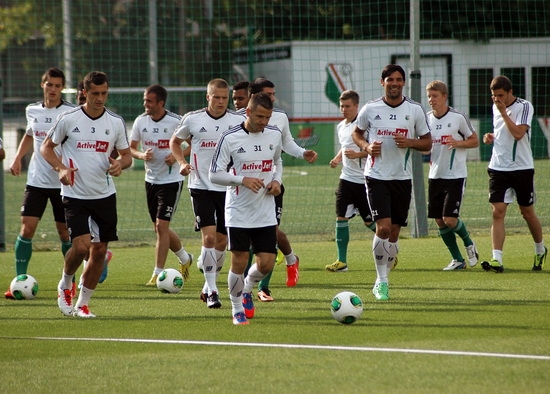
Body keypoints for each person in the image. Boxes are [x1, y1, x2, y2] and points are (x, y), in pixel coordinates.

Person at [40, 71, 132, 318]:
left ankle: (83, 303)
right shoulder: (68, 119)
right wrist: (60, 168)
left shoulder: (115, 122)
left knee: (100, 250)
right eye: (95, 94)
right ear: (84, 93)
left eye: (104, 93)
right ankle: (65, 283)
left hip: (104, 195)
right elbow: (46, 148)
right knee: (81, 247)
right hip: (75, 194)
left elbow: (127, 156)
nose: (100, 98)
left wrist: (119, 165)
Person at [352, 64, 432, 301]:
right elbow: (357, 133)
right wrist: (366, 147)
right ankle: (381, 281)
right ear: (382, 82)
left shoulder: (415, 110)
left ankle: (385, 270)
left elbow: (427, 143)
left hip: (402, 177)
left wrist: (410, 142)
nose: (394, 83)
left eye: (398, 80)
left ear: (403, 83)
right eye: (390, 80)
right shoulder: (370, 108)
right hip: (376, 176)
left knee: (395, 233)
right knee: (383, 228)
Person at [170, 78, 246, 309]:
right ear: (208, 97)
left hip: (229, 188)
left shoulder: (238, 120)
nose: (221, 102)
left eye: (224, 98)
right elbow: (175, 142)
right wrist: (182, 162)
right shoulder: (193, 119)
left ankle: (207, 284)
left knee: (222, 241)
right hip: (201, 186)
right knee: (210, 238)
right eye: (216, 97)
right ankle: (213, 290)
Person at [209, 92, 283, 325]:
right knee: (239, 261)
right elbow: (214, 175)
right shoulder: (229, 138)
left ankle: (248, 288)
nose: (264, 122)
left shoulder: (274, 134)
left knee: (266, 263)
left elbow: (277, 161)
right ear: (248, 112)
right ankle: (237, 309)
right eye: (260, 116)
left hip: (264, 210)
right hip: (238, 211)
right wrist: (242, 179)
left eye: (268, 117)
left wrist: (277, 182)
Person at [5, 68, 75, 300]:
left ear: (62, 88)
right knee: (27, 229)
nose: (53, 89)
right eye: (49, 85)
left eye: (57, 86)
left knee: (65, 233)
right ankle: (18, 281)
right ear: (42, 85)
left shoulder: (69, 112)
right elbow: (29, 134)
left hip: (62, 182)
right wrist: (16, 158)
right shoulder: (32, 110)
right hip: (36, 180)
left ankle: (70, 282)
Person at [245, 77, 317, 302]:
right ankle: (287, 260)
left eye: (273, 94)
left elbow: (287, 144)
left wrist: (302, 152)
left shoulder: (281, 117)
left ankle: (263, 289)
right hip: (245, 191)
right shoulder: (241, 120)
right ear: (255, 98)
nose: (273, 98)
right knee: (247, 240)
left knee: (270, 235)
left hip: (271, 187)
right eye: (269, 94)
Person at [482, 75, 546, 272]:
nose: (497, 99)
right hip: (498, 167)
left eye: (500, 95)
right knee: (497, 212)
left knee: (527, 212)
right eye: (494, 96)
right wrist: (492, 136)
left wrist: (503, 113)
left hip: (522, 168)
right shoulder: (496, 106)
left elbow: (518, 134)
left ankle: (540, 249)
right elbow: (504, 132)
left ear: (510, 92)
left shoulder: (524, 106)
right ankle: (497, 260)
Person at [130, 84, 193, 285]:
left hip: (171, 181)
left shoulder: (176, 121)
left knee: (161, 225)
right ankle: (185, 258)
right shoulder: (141, 121)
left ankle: (157, 273)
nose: (145, 104)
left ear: (160, 103)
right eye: (144, 100)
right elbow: (130, 149)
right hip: (151, 180)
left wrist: (177, 157)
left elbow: (194, 143)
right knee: (159, 229)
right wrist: (141, 155)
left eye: (149, 101)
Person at [424, 80, 480, 271]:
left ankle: (469, 243)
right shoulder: (427, 119)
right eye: (429, 96)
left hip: (455, 175)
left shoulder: (457, 117)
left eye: (435, 96)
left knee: (450, 219)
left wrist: (458, 143)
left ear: (444, 96)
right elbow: (425, 146)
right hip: (435, 175)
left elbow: (474, 141)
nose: (431, 100)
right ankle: (457, 259)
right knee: (439, 220)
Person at [326, 90, 376, 273]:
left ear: (357, 106)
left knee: (369, 223)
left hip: (364, 181)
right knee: (341, 217)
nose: (344, 109)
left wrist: (358, 154)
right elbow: (344, 146)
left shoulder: (365, 128)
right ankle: (341, 261)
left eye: (347, 106)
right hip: (346, 179)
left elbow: (374, 149)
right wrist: (337, 158)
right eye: (341, 106)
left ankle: (388, 249)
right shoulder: (341, 126)